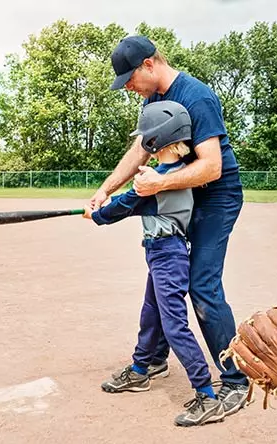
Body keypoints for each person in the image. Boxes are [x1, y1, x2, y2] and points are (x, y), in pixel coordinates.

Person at [90, 35, 249, 415]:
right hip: (183, 194)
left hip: (215, 197)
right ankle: (151, 361)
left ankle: (234, 381)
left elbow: (212, 166)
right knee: (164, 277)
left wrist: (159, 182)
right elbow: (140, 149)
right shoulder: (154, 100)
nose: (128, 86)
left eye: (130, 78)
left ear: (149, 64)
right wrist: (105, 190)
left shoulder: (197, 96)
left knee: (202, 285)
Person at [84, 100, 225, 427]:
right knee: (152, 314)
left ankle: (206, 393)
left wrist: (97, 213)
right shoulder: (175, 174)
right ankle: (140, 368)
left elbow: (118, 209)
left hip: (167, 256)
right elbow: (134, 199)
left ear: (156, 140)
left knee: (174, 325)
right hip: (164, 253)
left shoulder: (156, 181)